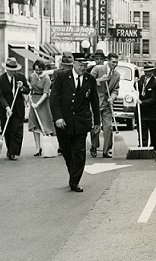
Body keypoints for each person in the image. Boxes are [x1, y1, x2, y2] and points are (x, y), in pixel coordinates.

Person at [50, 53, 100, 192]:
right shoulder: (61, 77)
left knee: (78, 152)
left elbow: (94, 101)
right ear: (74, 64)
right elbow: (54, 99)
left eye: (85, 66)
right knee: (67, 152)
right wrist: (58, 117)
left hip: (81, 122)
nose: (83, 68)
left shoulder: (90, 79)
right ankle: (73, 172)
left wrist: (97, 121)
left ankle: (74, 181)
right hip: (64, 122)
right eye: (80, 65)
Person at [0, 57, 31, 160]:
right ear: (7, 70)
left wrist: (22, 87)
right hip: (5, 109)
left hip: (18, 108)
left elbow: (27, 90)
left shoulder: (21, 77)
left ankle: (13, 152)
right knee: (7, 130)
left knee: (17, 130)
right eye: (11, 71)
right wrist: (7, 108)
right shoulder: (0, 80)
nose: (13, 73)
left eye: (15, 71)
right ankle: (10, 149)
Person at [90, 53, 120, 158]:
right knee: (95, 127)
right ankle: (94, 146)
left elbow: (115, 89)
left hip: (107, 104)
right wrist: (100, 80)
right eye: (113, 62)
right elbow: (88, 82)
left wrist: (112, 97)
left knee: (108, 127)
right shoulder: (97, 69)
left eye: (116, 62)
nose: (115, 64)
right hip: (95, 102)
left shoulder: (116, 74)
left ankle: (106, 150)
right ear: (108, 61)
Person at [28, 59, 55, 156]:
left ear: (43, 69)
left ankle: (47, 147)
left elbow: (45, 93)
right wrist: (29, 97)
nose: (38, 72)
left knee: (45, 124)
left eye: (40, 70)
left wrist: (38, 104)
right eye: (36, 70)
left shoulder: (46, 79)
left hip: (43, 102)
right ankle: (37, 148)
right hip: (33, 100)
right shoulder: (32, 76)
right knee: (34, 125)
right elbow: (30, 88)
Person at [137, 62, 156, 150]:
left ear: (152, 71)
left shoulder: (155, 82)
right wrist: (135, 84)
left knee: (153, 131)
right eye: (146, 71)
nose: (147, 73)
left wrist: (142, 102)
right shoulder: (142, 79)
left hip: (151, 112)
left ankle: (153, 147)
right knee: (142, 129)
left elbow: (154, 98)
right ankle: (143, 146)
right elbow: (137, 90)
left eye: (149, 71)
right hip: (141, 111)